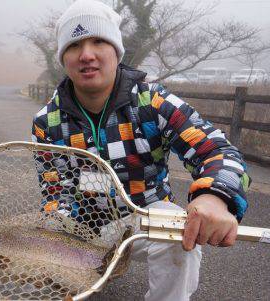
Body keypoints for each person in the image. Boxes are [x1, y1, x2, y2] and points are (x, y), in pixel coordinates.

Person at [31, 1, 251, 300]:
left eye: (98, 41)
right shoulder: (48, 122)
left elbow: (217, 151)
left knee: (177, 231)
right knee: (46, 261)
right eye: (74, 46)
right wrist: (57, 239)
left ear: (117, 51)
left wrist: (213, 198)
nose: (86, 55)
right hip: (81, 226)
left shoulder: (152, 102)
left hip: (145, 218)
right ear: (63, 57)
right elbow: (55, 193)